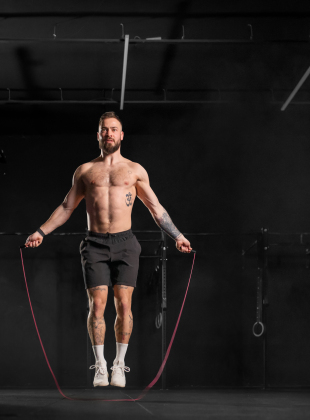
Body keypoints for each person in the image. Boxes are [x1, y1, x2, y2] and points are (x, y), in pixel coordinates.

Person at [24, 112, 192, 388]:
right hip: (95, 244)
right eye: (104, 130)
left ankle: (119, 365)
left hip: (125, 243)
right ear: (98, 135)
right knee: (98, 305)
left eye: (114, 129)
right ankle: (101, 364)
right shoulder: (85, 171)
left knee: (124, 305)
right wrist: (41, 231)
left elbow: (156, 208)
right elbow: (67, 207)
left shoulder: (135, 170)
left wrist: (177, 235)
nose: (109, 134)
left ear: (122, 135)